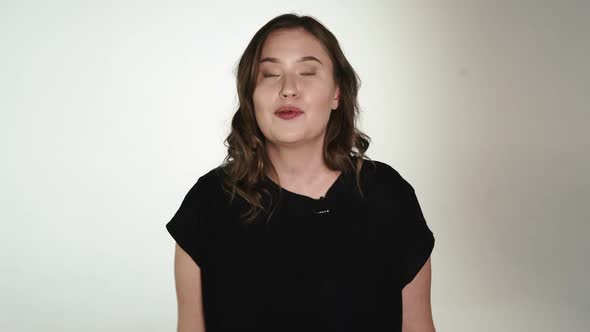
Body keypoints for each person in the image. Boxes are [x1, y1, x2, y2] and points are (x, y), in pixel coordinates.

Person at [166, 13, 435, 332]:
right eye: (269, 74)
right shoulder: (207, 204)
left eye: (307, 72)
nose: (288, 89)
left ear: (337, 93)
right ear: (250, 96)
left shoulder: (389, 196)